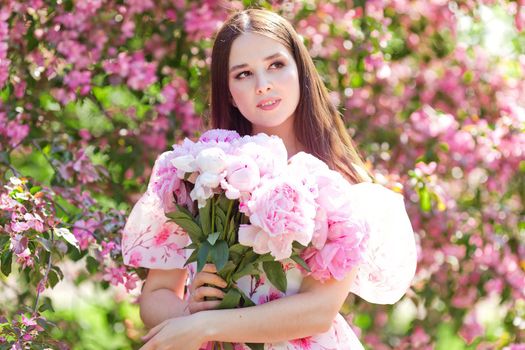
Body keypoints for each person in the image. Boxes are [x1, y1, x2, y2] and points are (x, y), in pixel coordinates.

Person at [122, 8, 417, 350]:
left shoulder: (340, 189)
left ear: (300, 69)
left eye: (276, 65)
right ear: (229, 91)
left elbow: (318, 311)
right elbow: (156, 295)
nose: (263, 86)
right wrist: (188, 311)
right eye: (244, 74)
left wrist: (206, 326)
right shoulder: (201, 174)